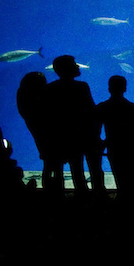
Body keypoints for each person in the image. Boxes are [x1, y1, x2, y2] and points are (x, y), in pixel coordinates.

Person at [43, 55, 102, 195]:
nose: (77, 66)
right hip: (85, 136)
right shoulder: (81, 87)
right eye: (74, 64)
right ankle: (99, 199)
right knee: (95, 171)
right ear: (67, 68)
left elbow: (49, 117)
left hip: (64, 137)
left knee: (76, 172)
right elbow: (91, 112)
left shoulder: (49, 89)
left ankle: (80, 200)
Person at [96, 75, 134, 198]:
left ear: (109, 88)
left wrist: (103, 143)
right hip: (132, 151)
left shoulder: (103, 107)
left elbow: (95, 128)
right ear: (125, 88)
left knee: (121, 182)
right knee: (133, 183)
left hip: (114, 150)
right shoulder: (131, 107)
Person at [17, 71, 63, 192]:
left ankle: (48, 190)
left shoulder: (22, 94)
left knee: (48, 162)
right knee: (56, 164)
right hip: (50, 132)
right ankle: (57, 192)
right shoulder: (41, 94)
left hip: (37, 131)